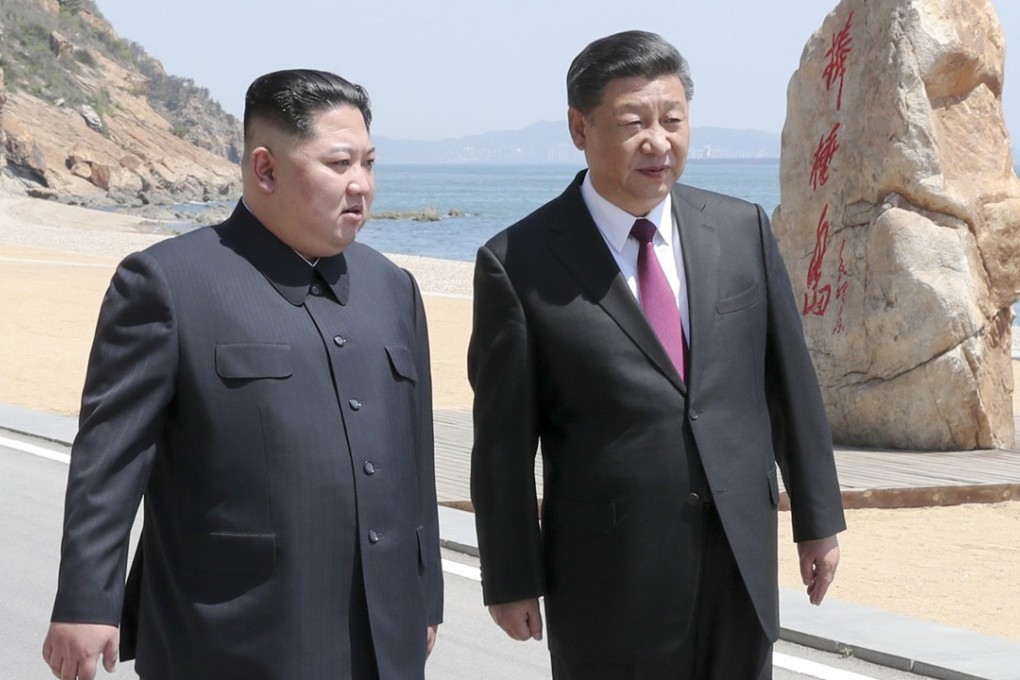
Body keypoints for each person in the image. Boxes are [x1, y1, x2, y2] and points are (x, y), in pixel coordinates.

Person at [42, 69, 443, 680]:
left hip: (382, 633)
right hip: (229, 632)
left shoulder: (393, 288)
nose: (361, 184)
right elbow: (110, 458)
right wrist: (84, 600)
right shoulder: (168, 283)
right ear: (265, 169)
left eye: (368, 162)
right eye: (339, 163)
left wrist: (424, 596)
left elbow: (415, 460)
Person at [468, 31, 846, 679]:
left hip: (738, 556)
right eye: (633, 122)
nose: (659, 140)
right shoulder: (518, 262)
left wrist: (818, 518)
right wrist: (510, 576)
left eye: (673, 119)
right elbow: (501, 444)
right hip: (608, 575)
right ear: (578, 127)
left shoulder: (741, 229)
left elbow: (789, 384)